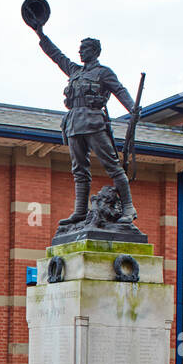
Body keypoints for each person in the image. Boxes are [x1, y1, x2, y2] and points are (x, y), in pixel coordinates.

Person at [32, 24, 140, 227]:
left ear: (95, 51)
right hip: (73, 124)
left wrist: (133, 108)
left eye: (85, 49)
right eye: (80, 49)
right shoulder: (74, 70)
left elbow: (120, 90)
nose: (80, 52)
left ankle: (128, 207)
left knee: (113, 166)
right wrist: (40, 33)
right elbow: (56, 55)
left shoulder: (103, 73)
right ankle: (80, 211)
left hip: (93, 122)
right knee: (79, 170)